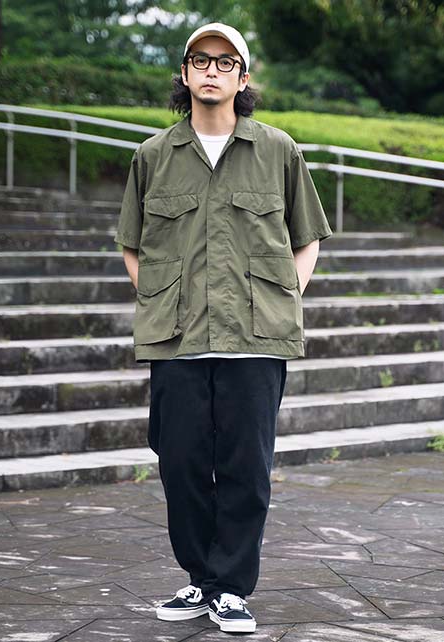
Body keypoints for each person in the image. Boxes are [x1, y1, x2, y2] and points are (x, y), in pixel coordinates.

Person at [114, 22, 333, 635]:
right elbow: (132, 245)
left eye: (225, 61)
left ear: (243, 76)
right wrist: (162, 300)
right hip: (177, 339)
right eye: (200, 60)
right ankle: (200, 579)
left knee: (246, 468)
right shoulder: (153, 156)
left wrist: (282, 298)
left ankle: (231, 588)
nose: (212, 70)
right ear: (185, 74)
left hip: (256, 339)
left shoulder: (279, 151)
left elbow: (307, 239)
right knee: (180, 461)